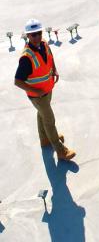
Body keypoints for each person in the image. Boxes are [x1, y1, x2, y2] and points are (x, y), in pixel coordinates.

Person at [14, 19, 76, 161]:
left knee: (42, 114)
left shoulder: (44, 44)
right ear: (28, 36)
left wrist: (54, 70)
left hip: (47, 89)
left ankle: (45, 140)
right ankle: (61, 151)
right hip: (38, 95)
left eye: (39, 33)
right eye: (33, 34)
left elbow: (50, 57)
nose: (37, 37)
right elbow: (17, 81)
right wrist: (36, 92)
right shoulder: (26, 57)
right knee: (49, 120)